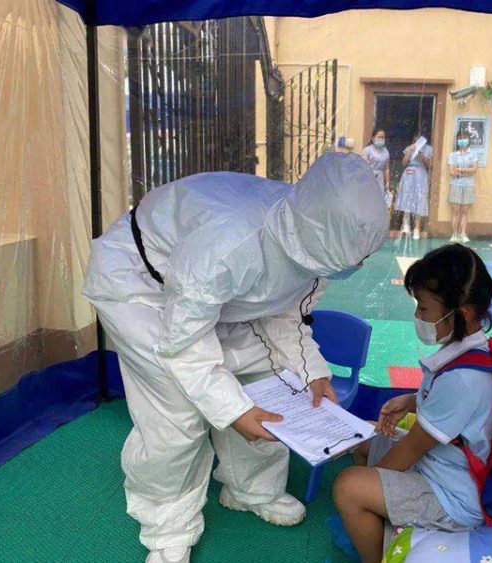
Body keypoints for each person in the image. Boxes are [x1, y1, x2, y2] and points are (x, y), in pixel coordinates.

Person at [82, 153, 389, 563]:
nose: (359, 265)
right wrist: (233, 411)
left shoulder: (315, 236)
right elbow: (183, 344)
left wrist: (312, 372)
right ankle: (168, 526)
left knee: (271, 382)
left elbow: (286, 312)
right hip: (141, 286)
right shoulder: (229, 246)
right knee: (177, 414)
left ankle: (252, 490)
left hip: (210, 294)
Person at [333, 244, 492, 563]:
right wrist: (411, 401)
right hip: (441, 464)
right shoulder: (470, 352)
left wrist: (374, 482)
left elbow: (411, 449)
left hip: (452, 496)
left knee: (348, 486)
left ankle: (375, 556)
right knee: (363, 436)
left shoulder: (463, 380)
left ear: (462, 313)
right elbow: (453, 411)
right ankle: (379, 519)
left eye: (423, 309)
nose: (417, 317)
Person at [395, 133, 433, 240]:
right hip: (409, 174)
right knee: (406, 197)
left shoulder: (428, 149)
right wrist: (410, 151)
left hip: (420, 174)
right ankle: (406, 224)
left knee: (419, 199)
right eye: (415, 139)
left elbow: (429, 165)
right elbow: (404, 162)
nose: (416, 141)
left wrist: (421, 155)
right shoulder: (410, 147)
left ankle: (417, 228)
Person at [448, 128, 479, 244]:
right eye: (460, 138)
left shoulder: (473, 154)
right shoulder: (453, 155)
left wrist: (461, 170)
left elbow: (474, 169)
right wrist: (466, 171)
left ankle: (463, 233)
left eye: (464, 138)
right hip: (455, 184)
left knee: (465, 210)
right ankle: (454, 234)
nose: (462, 140)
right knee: (456, 211)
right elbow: (452, 171)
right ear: (457, 141)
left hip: (468, 185)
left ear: (468, 140)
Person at [361, 127, 392, 209]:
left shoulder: (386, 152)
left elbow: (387, 168)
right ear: (373, 138)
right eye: (379, 137)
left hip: (380, 179)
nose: (381, 139)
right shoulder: (367, 150)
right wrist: (371, 173)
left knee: (378, 201)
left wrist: (387, 182)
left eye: (383, 137)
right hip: (368, 177)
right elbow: (364, 165)